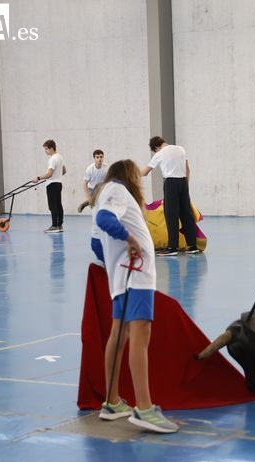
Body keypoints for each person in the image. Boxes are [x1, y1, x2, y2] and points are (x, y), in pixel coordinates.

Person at [94, 159, 179, 433]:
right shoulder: (118, 191)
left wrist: (115, 256)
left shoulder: (105, 192)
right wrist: (130, 240)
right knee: (140, 338)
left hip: (122, 277)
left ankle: (112, 401)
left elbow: (95, 242)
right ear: (129, 176)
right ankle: (144, 408)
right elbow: (104, 221)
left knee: (119, 336)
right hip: (136, 275)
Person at [141, 136, 200, 256]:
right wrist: (185, 186)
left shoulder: (160, 153)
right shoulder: (181, 149)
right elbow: (188, 169)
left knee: (171, 215)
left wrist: (129, 174)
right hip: (183, 182)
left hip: (171, 184)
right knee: (186, 214)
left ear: (156, 147)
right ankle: (192, 246)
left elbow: (145, 172)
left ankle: (172, 247)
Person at [35, 139, 66, 233]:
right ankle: (59, 225)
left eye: (46, 149)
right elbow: (64, 171)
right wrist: (58, 176)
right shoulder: (60, 157)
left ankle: (54, 225)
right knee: (58, 204)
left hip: (52, 185)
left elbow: (49, 174)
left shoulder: (52, 159)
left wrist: (38, 178)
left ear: (51, 148)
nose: (45, 151)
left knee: (53, 206)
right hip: (59, 183)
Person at [78, 149, 108, 214]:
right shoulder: (89, 169)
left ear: (103, 158)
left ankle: (89, 203)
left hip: (101, 189)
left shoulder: (106, 168)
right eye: (97, 157)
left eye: (101, 157)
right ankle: (89, 202)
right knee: (94, 206)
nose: (99, 159)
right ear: (94, 158)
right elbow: (85, 184)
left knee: (101, 205)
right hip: (92, 189)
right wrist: (87, 197)